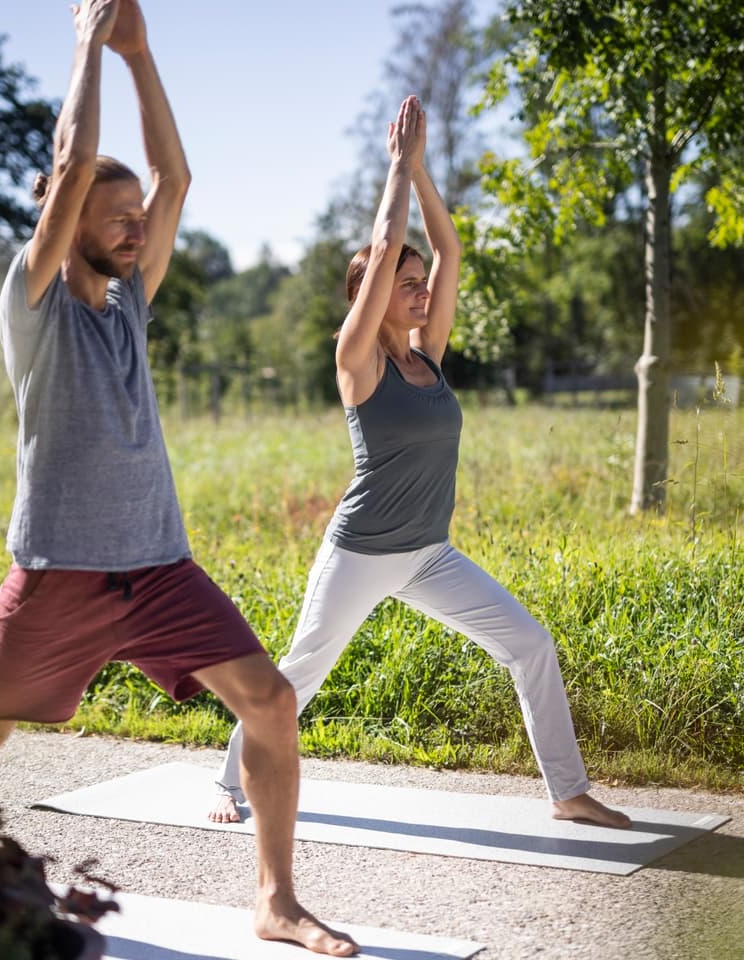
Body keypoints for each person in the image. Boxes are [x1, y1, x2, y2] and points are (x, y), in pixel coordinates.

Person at [0, 2, 357, 954]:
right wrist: (85, 45)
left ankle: (275, 901)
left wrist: (142, 53)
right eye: (113, 218)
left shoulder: (128, 305)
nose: (134, 228)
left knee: (272, 704)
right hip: (61, 573)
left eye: (136, 221)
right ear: (61, 215)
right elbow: (77, 163)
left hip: (160, 568)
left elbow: (177, 177)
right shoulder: (33, 302)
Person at [209, 95, 631, 832]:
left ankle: (568, 792)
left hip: (429, 553)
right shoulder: (357, 360)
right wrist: (396, 173)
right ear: (367, 301)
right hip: (362, 553)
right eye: (406, 285)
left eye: (418, 283)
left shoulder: (427, 357)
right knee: (300, 673)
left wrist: (424, 172)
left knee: (530, 644)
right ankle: (227, 782)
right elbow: (389, 236)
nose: (423, 290)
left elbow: (450, 252)